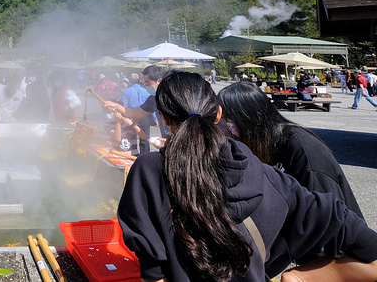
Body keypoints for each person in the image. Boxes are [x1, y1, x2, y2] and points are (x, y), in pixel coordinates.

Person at [118, 71, 377, 282]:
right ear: (219, 114)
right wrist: (298, 278)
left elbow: (154, 273)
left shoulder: (147, 172)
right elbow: (363, 244)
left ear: (162, 118)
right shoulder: (269, 177)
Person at [218, 82, 363, 218]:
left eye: (229, 121)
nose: (225, 129)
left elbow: (327, 216)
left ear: (257, 118)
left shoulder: (303, 150)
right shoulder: (267, 144)